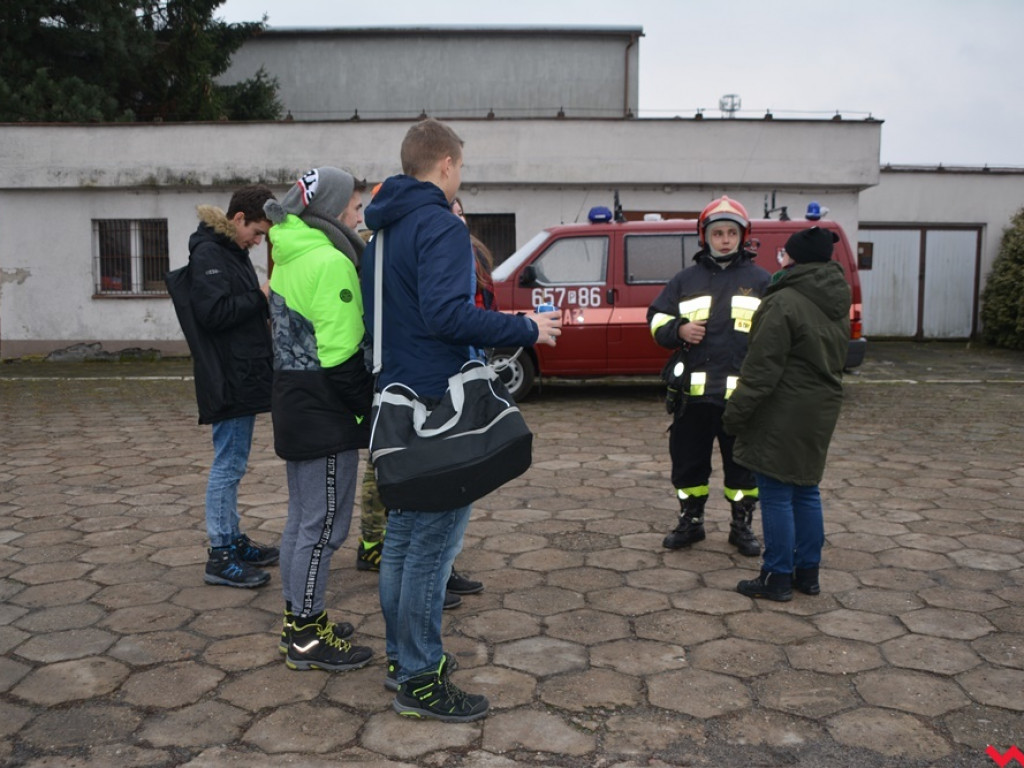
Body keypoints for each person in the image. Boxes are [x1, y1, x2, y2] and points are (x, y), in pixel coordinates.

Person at [362, 118, 561, 722]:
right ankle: (421, 679)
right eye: (462, 167)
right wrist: (528, 328)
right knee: (431, 548)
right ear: (446, 164)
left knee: (401, 540)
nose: (461, 176)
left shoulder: (381, 234)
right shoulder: (441, 226)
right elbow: (449, 316)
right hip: (442, 408)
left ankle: (402, 659)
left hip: (398, 400)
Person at [263, 167, 375, 671]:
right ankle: (307, 636)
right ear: (330, 210)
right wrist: (366, 408)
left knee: (300, 523)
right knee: (325, 527)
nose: (359, 216)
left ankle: (299, 620)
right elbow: (341, 355)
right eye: (353, 207)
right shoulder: (329, 261)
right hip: (324, 409)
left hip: (295, 401)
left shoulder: (291, 252)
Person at [723, 226, 851, 601]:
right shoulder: (834, 296)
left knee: (777, 491)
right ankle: (806, 573)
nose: (779, 258)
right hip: (819, 408)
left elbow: (760, 370)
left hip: (783, 409)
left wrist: (735, 415)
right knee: (805, 490)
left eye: (784, 253)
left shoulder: (783, 302)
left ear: (794, 259)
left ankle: (777, 575)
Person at [647, 196, 770, 557]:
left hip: (742, 399)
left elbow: (776, 333)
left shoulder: (762, 281)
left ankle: (741, 526)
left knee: (744, 468)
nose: (726, 240)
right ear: (705, 237)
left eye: (732, 233)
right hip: (693, 398)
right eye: (718, 233)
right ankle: (691, 522)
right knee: (688, 465)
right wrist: (679, 330)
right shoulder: (685, 280)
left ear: (743, 237)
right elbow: (655, 318)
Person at [184, 184, 281, 589]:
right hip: (227, 376)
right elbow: (212, 313)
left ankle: (232, 539)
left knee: (235, 462)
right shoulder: (209, 253)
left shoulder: (229, 251)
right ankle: (220, 554)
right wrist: (261, 296)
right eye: (256, 233)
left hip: (241, 373)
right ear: (238, 219)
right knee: (228, 464)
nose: (258, 242)